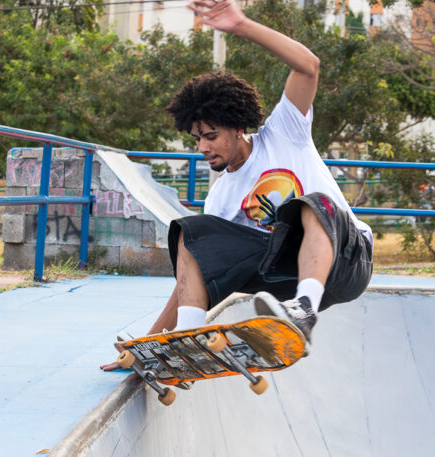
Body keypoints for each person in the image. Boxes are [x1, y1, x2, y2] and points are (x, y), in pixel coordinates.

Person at [101, 0, 372, 370]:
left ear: (237, 127)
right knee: (193, 234)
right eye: (197, 139)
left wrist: (241, 25)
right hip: (285, 279)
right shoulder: (222, 197)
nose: (203, 148)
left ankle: (305, 310)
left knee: (310, 204)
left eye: (211, 136)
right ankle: (186, 339)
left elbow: (308, 66)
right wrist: (150, 342)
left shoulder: (284, 134)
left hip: (348, 260)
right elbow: (188, 280)